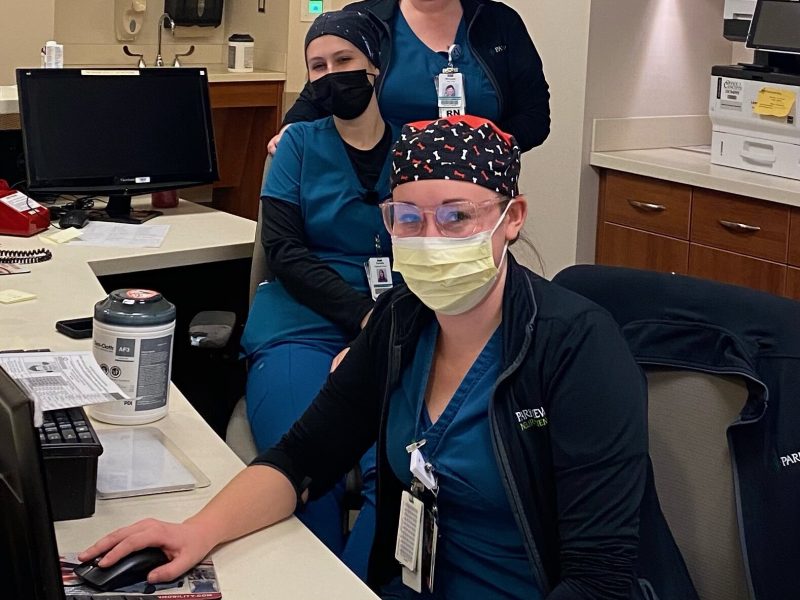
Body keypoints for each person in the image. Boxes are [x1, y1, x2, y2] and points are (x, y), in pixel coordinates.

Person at [79, 116, 691, 599]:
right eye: (409, 218)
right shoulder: (402, 321)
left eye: (456, 217)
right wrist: (195, 531)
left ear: (512, 219)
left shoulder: (577, 346)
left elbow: (599, 581)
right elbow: (301, 458)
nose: (430, 239)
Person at [239, 9, 396, 578]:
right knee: (306, 469)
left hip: (394, 329)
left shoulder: (416, 149)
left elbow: (432, 251)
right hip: (298, 325)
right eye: (318, 66)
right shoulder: (297, 146)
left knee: (397, 474)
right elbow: (284, 251)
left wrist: (381, 329)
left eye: (344, 60)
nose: (332, 75)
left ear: (376, 66)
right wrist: (362, 317)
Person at [268, 0, 550, 155]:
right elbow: (319, 94)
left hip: (478, 191)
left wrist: (481, 150)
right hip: (380, 185)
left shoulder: (500, 23)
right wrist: (291, 130)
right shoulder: (365, 20)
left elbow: (535, 116)